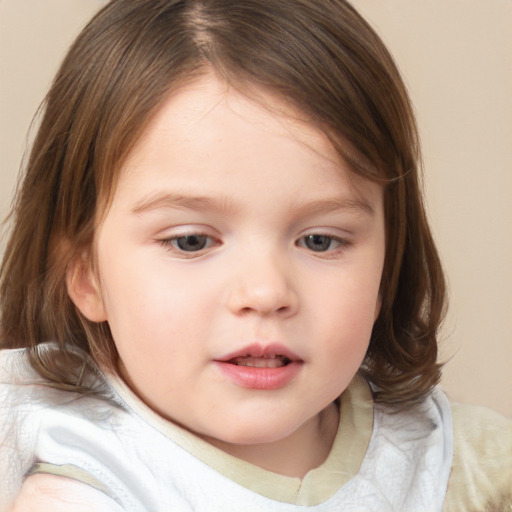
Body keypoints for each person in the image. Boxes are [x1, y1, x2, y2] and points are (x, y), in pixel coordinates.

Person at [0, 0, 510, 510]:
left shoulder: (459, 463)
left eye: (320, 240)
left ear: (386, 265)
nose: (266, 292)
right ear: (86, 275)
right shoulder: (82, 490)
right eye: (191, 241)